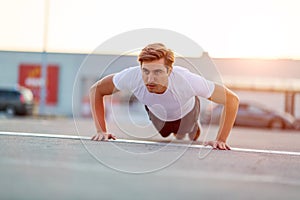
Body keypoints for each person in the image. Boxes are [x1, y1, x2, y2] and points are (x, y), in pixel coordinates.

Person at [89, 43, 239, 150]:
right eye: (145, 71)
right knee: (166, 133)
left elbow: (232, 100)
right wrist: (101, 131)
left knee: (187, 133)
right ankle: (176, 131)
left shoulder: (187, 80)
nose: (150, 79)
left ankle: (193, 126)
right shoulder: (131, 76)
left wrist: (221, 140)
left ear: (169, 70)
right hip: (158, 114)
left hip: (187, 112)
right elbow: (96, 90)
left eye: (158, 72)